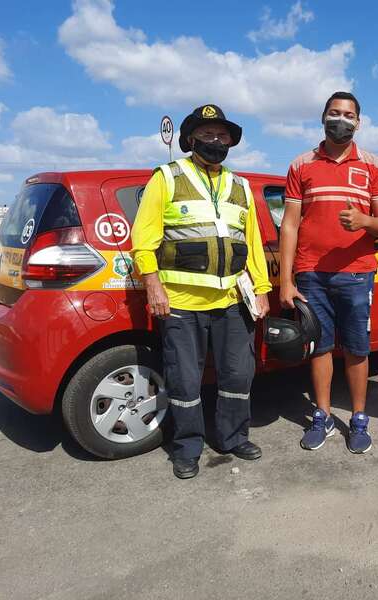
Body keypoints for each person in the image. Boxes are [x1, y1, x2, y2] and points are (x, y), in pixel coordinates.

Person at [131, 104, 272, 479]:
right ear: (190, 138)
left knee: (238, 376)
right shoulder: (167, 177)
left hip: (232, 303)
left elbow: (252, 243)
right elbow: (143, 240)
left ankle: (232, 437)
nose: (215, 140)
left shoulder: (240, 186)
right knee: (185, 381)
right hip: (180, 303)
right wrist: (153, 285)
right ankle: (187, 447)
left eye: (222, 135)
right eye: (207, 134)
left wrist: (261, 288)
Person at [279, 91, 378, 453]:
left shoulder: (375, 165)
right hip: (311, 273)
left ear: (358, 122)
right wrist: (286, 279)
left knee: (358, 349)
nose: (340, 119)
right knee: (320, 347)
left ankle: (359, 419)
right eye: (334, 113)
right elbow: (290, 225)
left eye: (348, 115)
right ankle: (323, 416)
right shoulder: (301, 165)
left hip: (357, 273)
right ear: (323, 116)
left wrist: (363, 221)